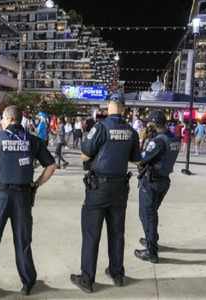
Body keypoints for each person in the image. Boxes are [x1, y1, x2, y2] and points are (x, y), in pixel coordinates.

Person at [0, 105, 56, 299]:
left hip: (0, 196)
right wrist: (36, 185)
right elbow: (51, 166)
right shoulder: (33, 140)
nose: (1, 121)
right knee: (23, 241)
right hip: (23, 196)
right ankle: (28, 282)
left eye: (3, 118)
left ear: (10, 119)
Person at [70, 94, 141, 293]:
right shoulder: (131, 131)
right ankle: (117, 274)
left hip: (98, 188)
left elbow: (85, 153)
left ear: (109, 106)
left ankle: (87, 279)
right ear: (124, 109)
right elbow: (136, 159)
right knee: (117, 232)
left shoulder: (100, 128)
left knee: (92, 233)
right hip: (120, 188)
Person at [135, 111, 180, 263]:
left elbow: (141, 159)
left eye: (150, 123)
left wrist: (143, 140)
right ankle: (151, 239)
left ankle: (151, 251)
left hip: (152, 182)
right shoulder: (174, 138)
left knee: (146, 215)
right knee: (151, 213)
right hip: (164, 181)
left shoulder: (158, 141)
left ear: (154, 124)